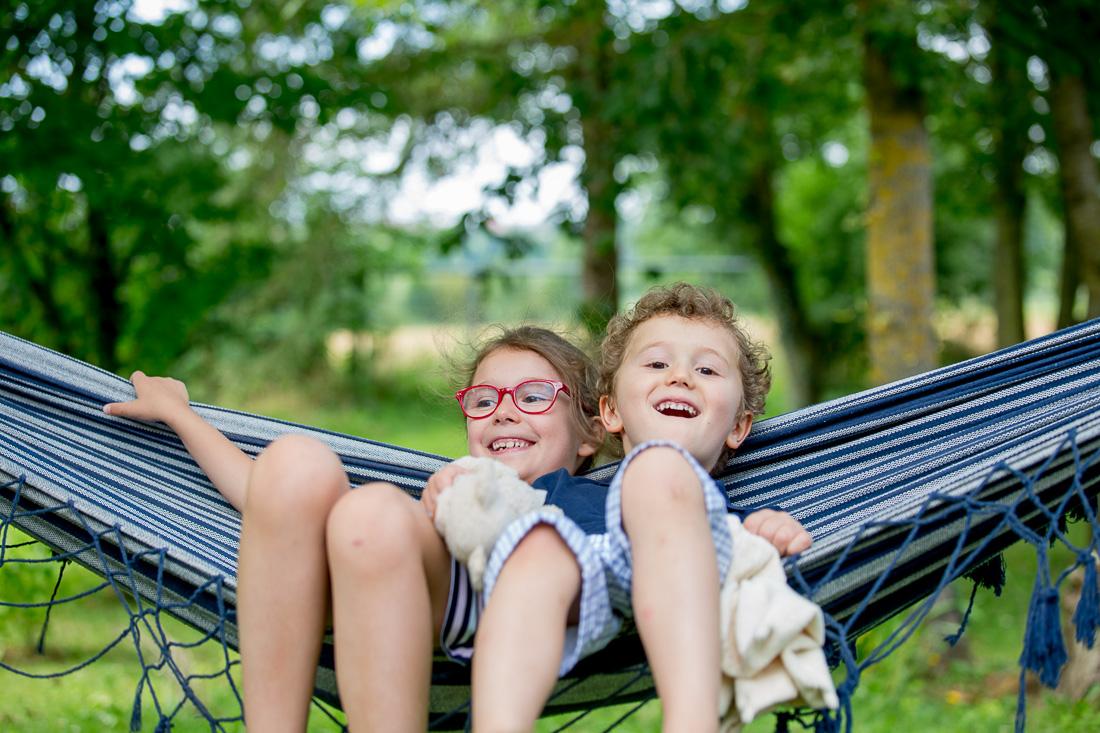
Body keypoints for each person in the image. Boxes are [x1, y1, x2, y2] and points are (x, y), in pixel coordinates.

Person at [103, 325, 605, 732]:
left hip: (474, 601)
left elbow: (599, 573)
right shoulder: (449, 488)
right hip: (366, 576)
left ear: (591, 431)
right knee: (294, 462)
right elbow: (270, 502)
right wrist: (181, 416)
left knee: (373, 513)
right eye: (483, 400)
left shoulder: (593, 498)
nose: (504, 412)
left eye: (534, 396)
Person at [470, 283, 812, 732]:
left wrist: (769, 528)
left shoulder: (720, 518)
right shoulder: (558, 490)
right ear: (611, 411)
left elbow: (748, 547)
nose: (680, 377)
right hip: (582, 580)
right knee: (540, 547)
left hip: (686, 577)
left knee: (659, 468)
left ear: (738, 425)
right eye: (656, 364)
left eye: (707, 369)